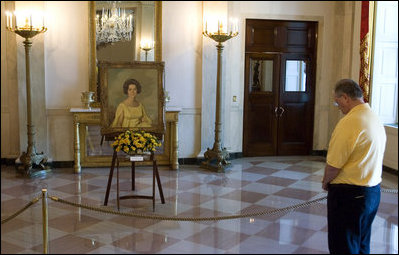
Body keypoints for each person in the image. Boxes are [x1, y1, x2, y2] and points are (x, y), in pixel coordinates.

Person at [322, 79, 386, 254]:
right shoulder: (373, 116)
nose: (338, 106)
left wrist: (326, 182)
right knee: (361, 244)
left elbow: (334, 164)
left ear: (345, 97)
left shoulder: (350, 122)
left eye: (337, 101)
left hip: (349, 195)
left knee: (343, 245)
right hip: (371, 193)